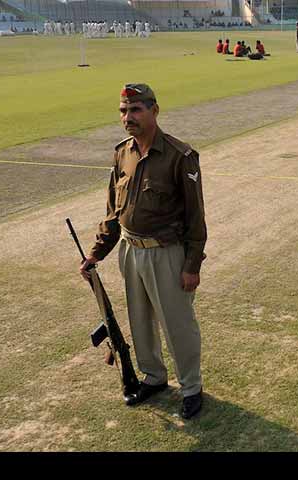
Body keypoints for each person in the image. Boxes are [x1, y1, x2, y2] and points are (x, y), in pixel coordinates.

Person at [80, 84, 207, 419]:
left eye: (135, 109)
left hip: (167, 253)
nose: (128, 117)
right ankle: (153, 377)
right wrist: (96, 253)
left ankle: (191, 387)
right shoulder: (122, 153)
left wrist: (192, 265)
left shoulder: (180, 156)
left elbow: (196, 219)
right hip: (130, 250)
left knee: (177, 324)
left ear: (154, 111)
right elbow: (113, 211)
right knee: (140, 322)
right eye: (123, 110)